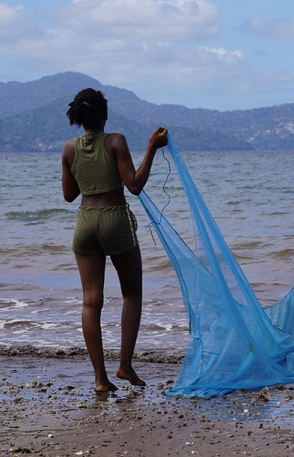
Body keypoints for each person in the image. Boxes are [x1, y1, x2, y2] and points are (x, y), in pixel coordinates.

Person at [61, 88, 168, 393]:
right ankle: (125, 365)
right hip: (114, 221)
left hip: (84, 223)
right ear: (104, 114)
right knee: (131, 294)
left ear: (79, 118)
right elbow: (134, 185)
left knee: (91, 301)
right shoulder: (116, 140)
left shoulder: (69, 148)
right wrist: (152, 146)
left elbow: (69, 195)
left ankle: (99, 379)